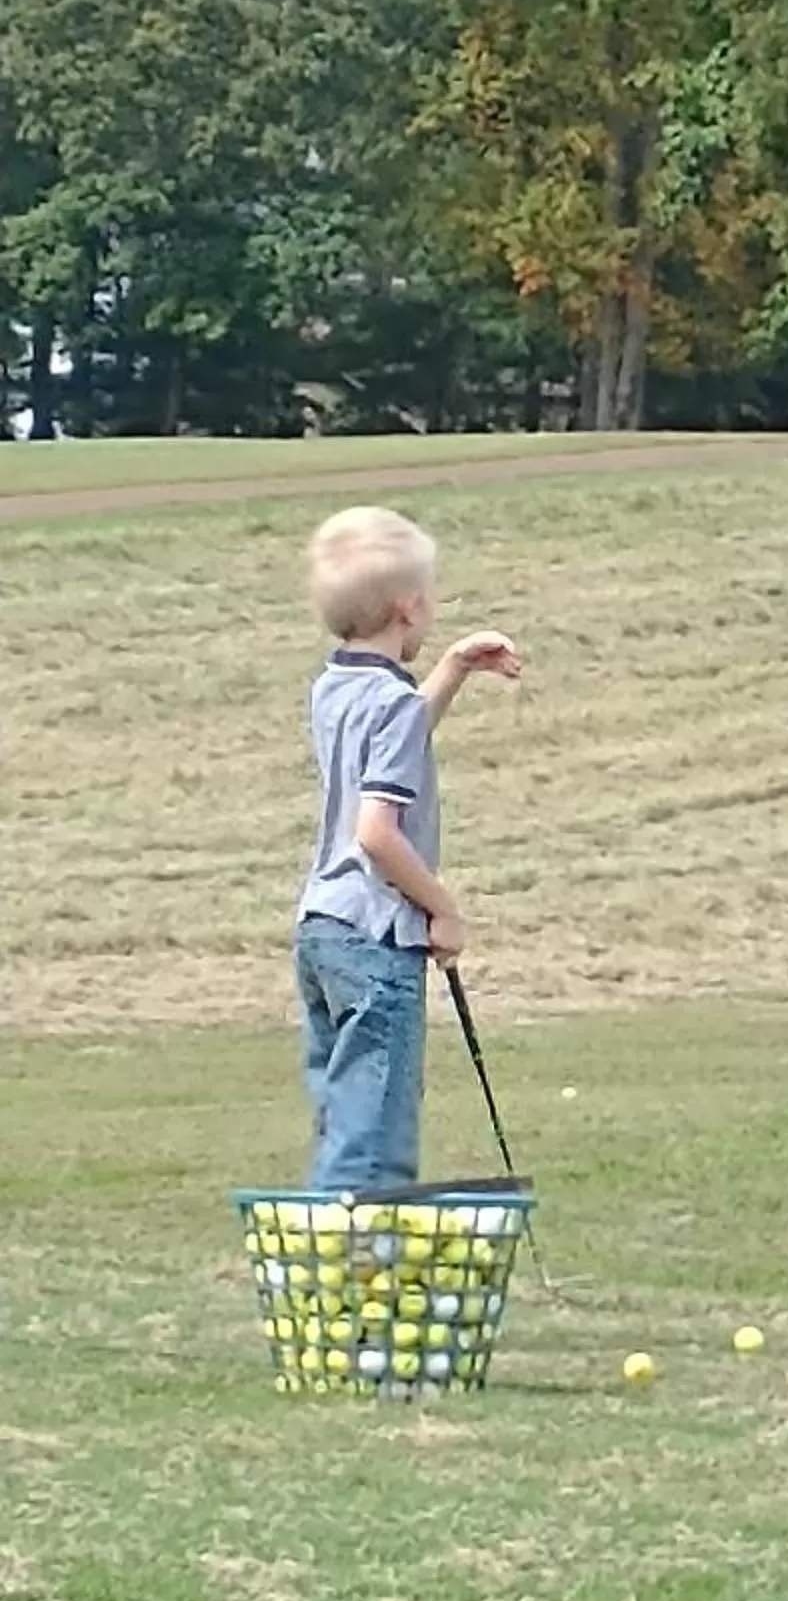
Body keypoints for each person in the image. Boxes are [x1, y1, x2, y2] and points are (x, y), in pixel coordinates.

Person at [294, 506, 522, 1194]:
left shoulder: (336, 687)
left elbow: (396, 733)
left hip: (322, 929)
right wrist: (444, 910)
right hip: (375, 938)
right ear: (409, 607)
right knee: (377, 1135)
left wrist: (452, 668)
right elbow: (377, 834)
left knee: (344, 1113)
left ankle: (324, 1261)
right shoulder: (389, 704)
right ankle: (360, 1269)